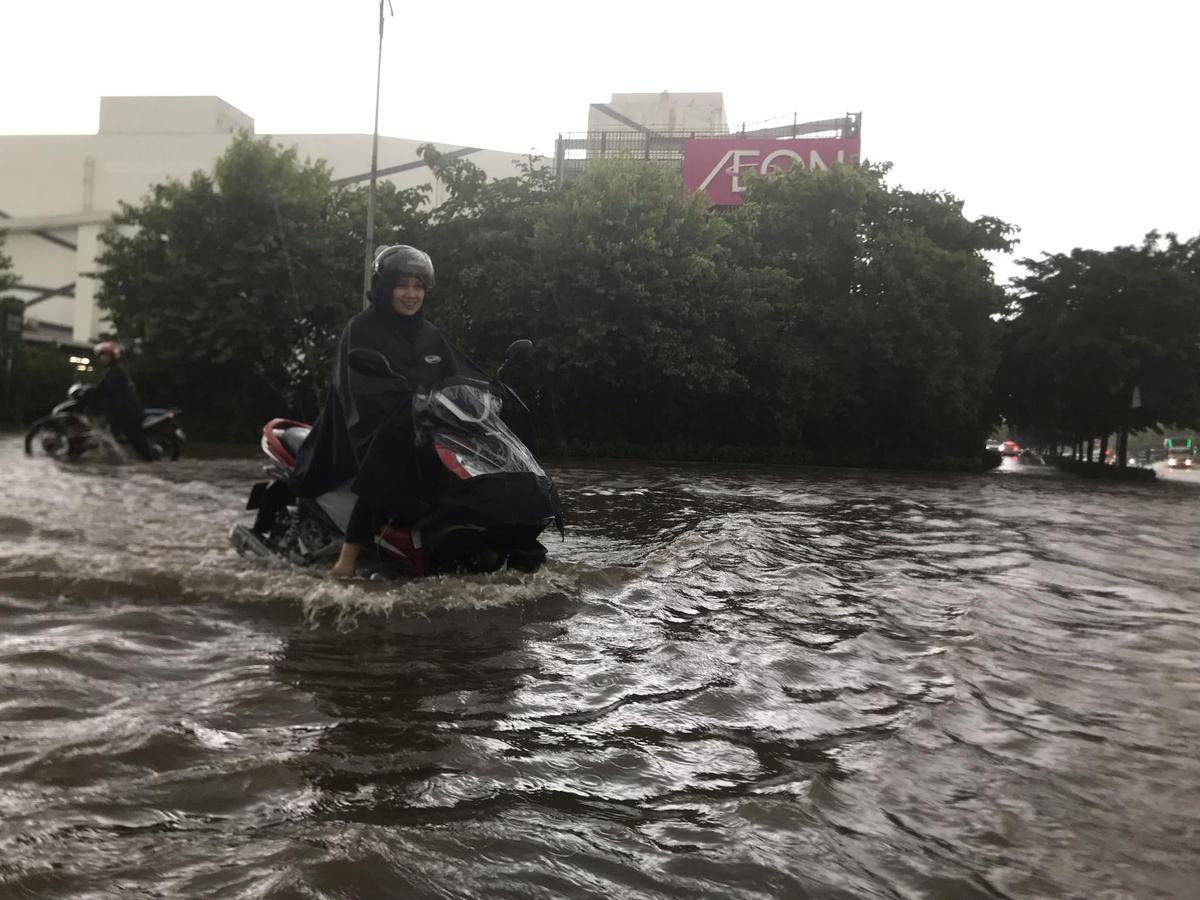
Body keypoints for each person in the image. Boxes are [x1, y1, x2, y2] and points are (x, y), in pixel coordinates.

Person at [290, 244, 488, 577]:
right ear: (385, 288)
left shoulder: (430, 334)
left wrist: (482, 400)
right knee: (392, 451)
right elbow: (355, 388)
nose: (411, 294)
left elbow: (457, 378)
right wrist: (400, 408)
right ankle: (347, 560)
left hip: (425, 429)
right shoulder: (362, 328)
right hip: (362, 430)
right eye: (402, 285)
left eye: (418, 286)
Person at [91, 341, 158, 461]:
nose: (102, 358)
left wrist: (93, 394)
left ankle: (149, 461)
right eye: (101, 355)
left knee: (134, 439)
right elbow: (100, 388)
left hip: (127, 412)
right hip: (121, 411)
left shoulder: (116, 372)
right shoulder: (111, 371)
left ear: (111, 356)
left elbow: (104, 389)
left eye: (104, 355)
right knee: (112, 434)